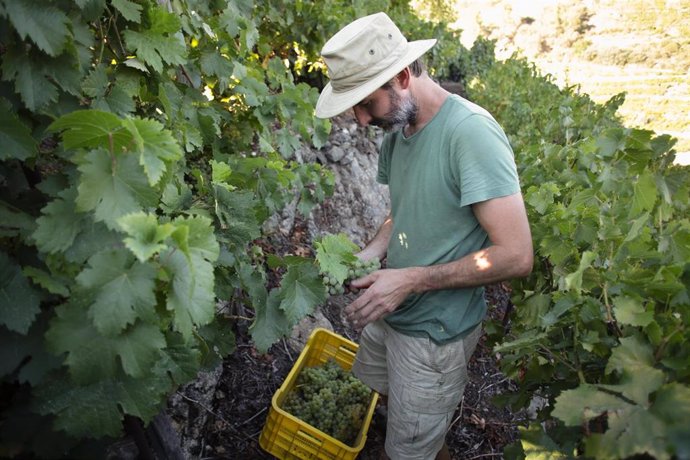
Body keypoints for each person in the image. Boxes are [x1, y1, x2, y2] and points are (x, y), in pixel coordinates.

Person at [314, 12, 533, 460]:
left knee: (413, 447)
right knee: (399, 410)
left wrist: (412, 280)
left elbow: (516, 255)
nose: (358, 120)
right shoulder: (400, 129)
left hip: (434, 334)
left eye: (365, 104)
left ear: (401, 76)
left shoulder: (470, 134)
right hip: (394, 309)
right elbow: (403, 212)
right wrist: (373, 251)